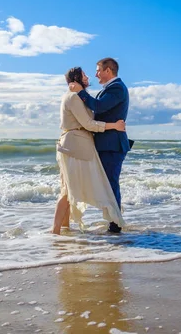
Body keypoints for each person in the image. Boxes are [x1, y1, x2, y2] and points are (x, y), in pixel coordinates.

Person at [52, 67, 126, 235]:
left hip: (75, 145)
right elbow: (88, 124)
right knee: (67, 190)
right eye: (84, 74)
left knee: (68, 189)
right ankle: (55, 231)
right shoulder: (73, 97)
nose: (88, 77)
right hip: (75, 146)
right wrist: (114, 125)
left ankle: (63, 229)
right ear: (77, 78)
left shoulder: (76, 97)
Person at [69, 57, 130, 233]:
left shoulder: (117, 87)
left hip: (112, 145)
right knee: (109, 185)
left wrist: (81, 92)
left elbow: (99, 106)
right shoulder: (111, 88)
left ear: (108, 71)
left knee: (111, 185)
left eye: (98, 70)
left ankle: (115, 226)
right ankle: (114, 221)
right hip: (107, 144)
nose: (96, 74)